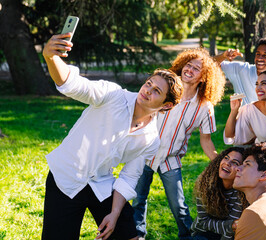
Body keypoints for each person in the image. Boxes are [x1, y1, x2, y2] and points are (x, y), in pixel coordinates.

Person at [41, 33, 183, 240]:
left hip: (100, 182)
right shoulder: (113, 95)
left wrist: (115, 214)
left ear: (166, 105)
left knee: (129, 236)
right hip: (65, 178)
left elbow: (129, 176)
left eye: (156, 91)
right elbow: (74, 85)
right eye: (149, 84)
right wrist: (51, 58)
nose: (147, 90)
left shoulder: (151, 140)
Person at [132, 48, 226, 239]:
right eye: (188, 65)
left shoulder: (204, 106)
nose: (189, 69)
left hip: (170, 159)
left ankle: (187, 236)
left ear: (204, 76)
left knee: (179, 206)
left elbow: (206, 140)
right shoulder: (167, 91)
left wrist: (218, 162)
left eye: (196, 68)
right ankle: (137, 234)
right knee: (138, 199)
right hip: (145, 153)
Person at [215, 15, 266, 105]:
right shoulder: (241, 69)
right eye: (258, 54)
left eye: (265, 55)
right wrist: (223, 55)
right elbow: (210, 64)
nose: (259, 58)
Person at [191, 147, 247, 240]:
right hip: (203, 233)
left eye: (235, 163)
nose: (227, 163)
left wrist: (231, 226)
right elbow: (202, 222)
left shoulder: (241, 192)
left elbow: (232, 229)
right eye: (226, 158)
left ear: (241, 170)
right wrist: (230, 226)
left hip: (228, 236)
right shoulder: (205, 182)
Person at [224, 70, 266, 151]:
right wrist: (234, 111)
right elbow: (229, 135)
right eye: (257, 84)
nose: (258, 88)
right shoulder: (251, 109)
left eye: (263, 83)